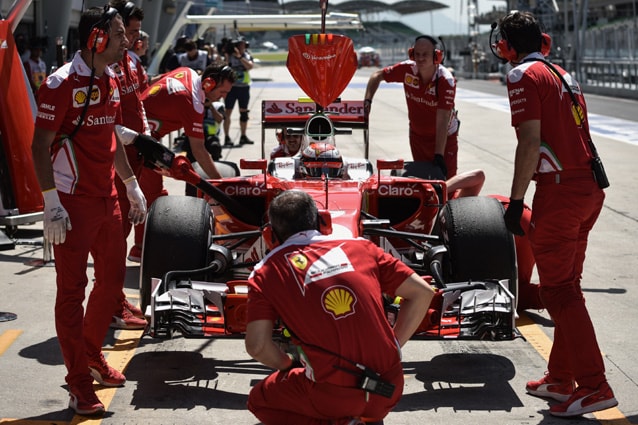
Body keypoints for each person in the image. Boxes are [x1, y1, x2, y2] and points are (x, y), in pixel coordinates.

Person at [497, 11, 617, 417]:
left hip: (561, 193)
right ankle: (560, 378)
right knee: (565, 287)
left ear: (507, 47)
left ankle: (596, 386)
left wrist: (516, 202)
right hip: (589, 189)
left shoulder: (521, 76)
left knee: (561, 291)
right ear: (543, 40)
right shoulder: (563, 73)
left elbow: (529, 142)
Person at [30, 6, 147, 416]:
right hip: (71, 203)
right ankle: (78, 383)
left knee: (113, 281)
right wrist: (51, 203)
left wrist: (131, 185)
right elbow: (38, 146)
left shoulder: (112, 76)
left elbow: (111, 136)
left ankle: (92, 354)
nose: (127, 41)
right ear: (96, 39)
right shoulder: (61, 83)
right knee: (71, 292)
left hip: (107, 199)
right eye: (118, 35)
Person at [244, 190, 435, 425]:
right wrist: (393, 347)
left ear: (270, 234)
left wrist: (287, 366)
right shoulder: (362, 247)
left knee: (259, 400)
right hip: (388, 388)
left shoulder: (265, 272)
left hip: (331, 395)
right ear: (323, 221)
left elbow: (257, 346)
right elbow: (423, 292)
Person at [108, 0, 150, 329]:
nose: (131, 39)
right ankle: (110, 303)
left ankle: (116, 297)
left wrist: (146, 135)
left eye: (134, 32)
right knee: (113, 236)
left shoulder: (131, 63)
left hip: (137, 157)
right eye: (126, 32)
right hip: (114, 162)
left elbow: (138, 102)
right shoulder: (103, 67)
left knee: (122, 234)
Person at [364, 35, 459, 179]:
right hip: (418, 137)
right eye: (417, 54)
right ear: (411, 54)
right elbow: (377, 75)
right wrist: (367, 101)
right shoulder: (407, 69)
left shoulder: (446, 80)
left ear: (436, 56)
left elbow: (443, 118)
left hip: (445, 139)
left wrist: (439, 155)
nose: (420, 58)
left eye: (425, 54)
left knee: (447, 183)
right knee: (423, 182)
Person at [141, 64, 236, 194]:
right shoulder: (192, 103)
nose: (224, 97)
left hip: (138, 133)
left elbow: (152, 80)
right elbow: (199, 151)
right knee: (151, 193)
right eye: (222, 92)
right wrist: (221, 184)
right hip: (138, 142)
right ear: (209, 84)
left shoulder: (187, 71)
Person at [223, 36, 255, 147]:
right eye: (240, 45)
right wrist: (228, 56)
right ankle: (227, 137)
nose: (243, 47)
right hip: (231, 88)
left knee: (244, 113)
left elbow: (250, 66)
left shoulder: (246, 55)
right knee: (227, 113)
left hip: (243, 88)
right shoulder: (229, 57)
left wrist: (240, 57)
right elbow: (224, 68)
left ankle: (243, 136)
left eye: (243, 45)